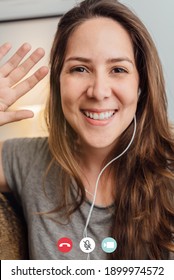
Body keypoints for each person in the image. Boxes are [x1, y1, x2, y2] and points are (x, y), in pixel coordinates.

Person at [0, 0, 174, 260]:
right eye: (80, 69)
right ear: (58, 81)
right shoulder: (27, 159)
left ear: (141, 84)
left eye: (118, 69)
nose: (99, 91)